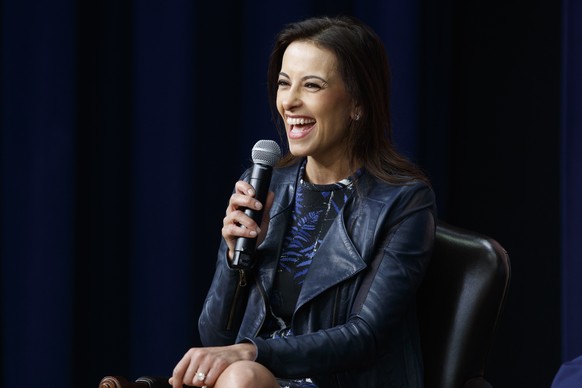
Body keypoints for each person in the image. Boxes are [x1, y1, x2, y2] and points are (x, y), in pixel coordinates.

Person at [170, 15, 436, 388]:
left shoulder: (403, 202)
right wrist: (237, 260)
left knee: (241, 376)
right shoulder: (264, 184)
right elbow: (215, 337)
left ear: (358, 103)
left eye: (311, 85)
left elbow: (365, 337)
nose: (289, 102)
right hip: (250, 378)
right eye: (283, 84)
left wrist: (253, 353)